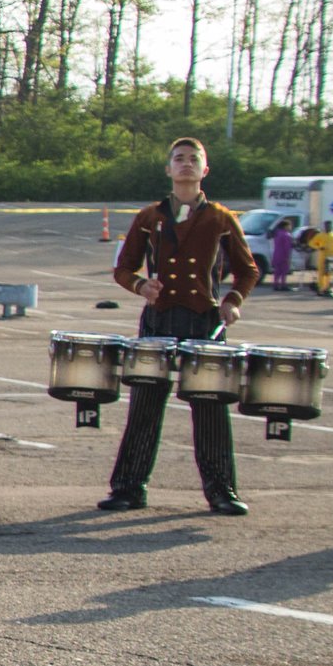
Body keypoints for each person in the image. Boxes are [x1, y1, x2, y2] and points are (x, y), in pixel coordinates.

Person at [99, 137, 258, 516]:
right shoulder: (150, 217)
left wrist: (233, 302)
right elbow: (123, 268)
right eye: (179, 159)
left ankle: (221, 490)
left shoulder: (221, 218)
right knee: (145, 405)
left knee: (209, 407)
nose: (186, 165)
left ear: (204, 171)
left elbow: (247, 270)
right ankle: (129, 488)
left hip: (204, 321)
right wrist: (141, 286)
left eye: (193, 160)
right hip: (159, 319)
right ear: (168, 169)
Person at [308, 219, 333, 298]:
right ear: (324, 226)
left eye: (329, 225)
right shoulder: (320, 235)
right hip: (322, 257)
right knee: (321, 274)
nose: (328, 227)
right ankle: (321, 289)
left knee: (329, 274)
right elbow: (311, 243)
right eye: (326, 225)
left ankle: (327, 288)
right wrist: (319, 247)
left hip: (331, 258)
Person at [268, 217, 295, 291]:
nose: (290, 227)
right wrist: (287, 257)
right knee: (284, 271)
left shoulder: (277, 233)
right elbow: (287, 247)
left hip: (276, 254)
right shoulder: (286, 235)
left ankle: (275, 285)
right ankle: (283, 285)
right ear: (285, 226)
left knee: (277, 271)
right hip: (283, 255)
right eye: (289, 226)